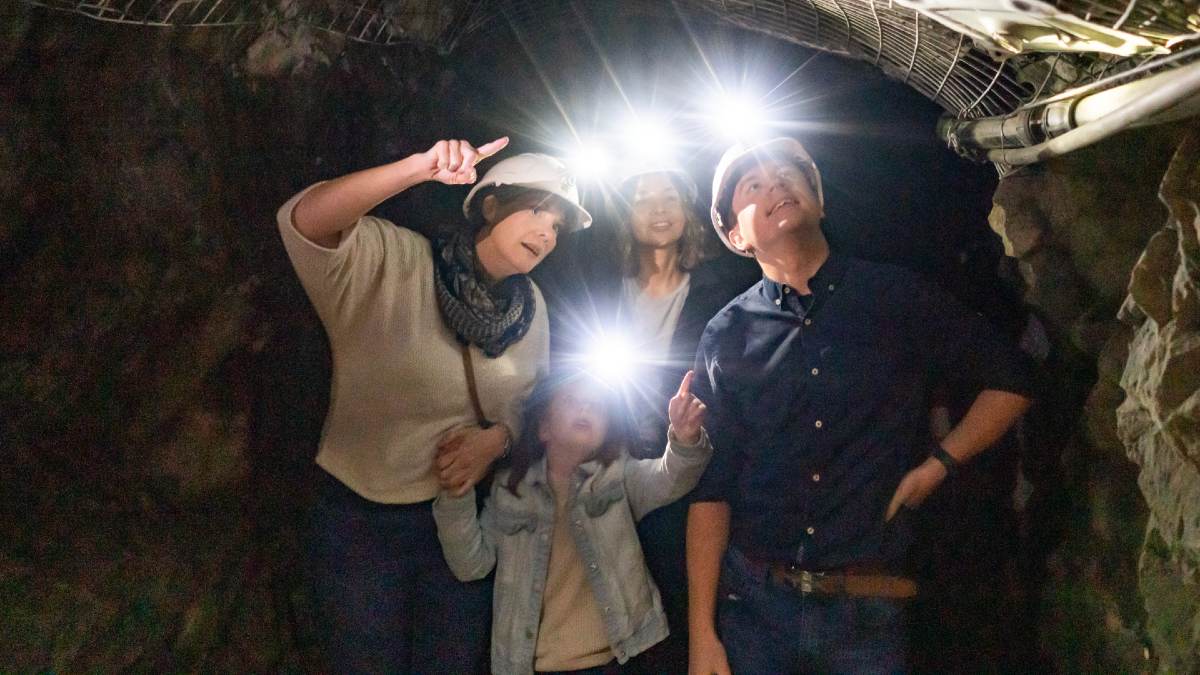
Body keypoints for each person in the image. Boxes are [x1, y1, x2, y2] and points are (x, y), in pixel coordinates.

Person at [685, 137, 1034, 674]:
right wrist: (702, 634)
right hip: (756, 606)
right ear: (735, 236)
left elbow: (1010, 378)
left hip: (867, 609)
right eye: (752, 186)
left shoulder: (893, 295)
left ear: (820, 201)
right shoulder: (727, 332)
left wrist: (937, 467)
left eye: (788, 174)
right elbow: (713, 487)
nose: (775, 183)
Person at [276, 136, 592, 673]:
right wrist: (416, 169)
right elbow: (306, 222)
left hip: (459, 526)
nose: (548, 232)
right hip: (361, 519)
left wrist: (497, 441)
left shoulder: (529, 308)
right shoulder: (399, 262)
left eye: (559, 227)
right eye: (539, 210)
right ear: (490, 203)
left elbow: (527, 405)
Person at [534, 167, 757, 672]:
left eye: (670, 196)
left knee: (689, 605)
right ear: (623, 216)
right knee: (623, 610)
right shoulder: (602, 290)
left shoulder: (722, 286)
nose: (659, 208)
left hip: (697, 467)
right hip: (614, 467)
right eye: (642, 199)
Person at [432, 368, 712, 675]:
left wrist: (685, 438)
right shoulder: (510, 492)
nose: (586, 408)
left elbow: (670, 478)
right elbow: (470, 564)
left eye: (597, 405)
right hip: (532, 664)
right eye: (571, 400)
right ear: (544, 427)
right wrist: (456, 493)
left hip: (617, 659)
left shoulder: (618, 475)